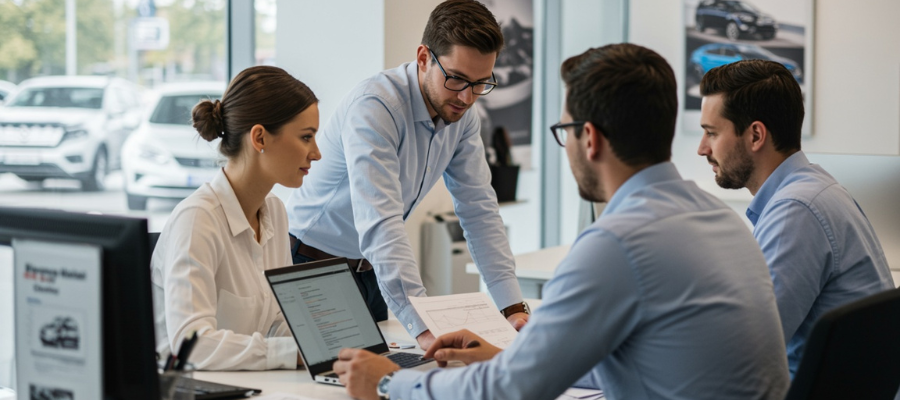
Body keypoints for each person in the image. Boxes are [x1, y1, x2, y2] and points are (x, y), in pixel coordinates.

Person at [332, 43, 790, 400]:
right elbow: (636, 354)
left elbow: (511, 391)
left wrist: (391, 384)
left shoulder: (616, 244)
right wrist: (510, 356)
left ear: (588, 138)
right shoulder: (721, 219)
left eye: (564, 131)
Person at [285, 0, 527, 350]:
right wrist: (426, 325)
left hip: (371, 271)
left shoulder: (463, 115)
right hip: (312, 264)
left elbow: (479, 209)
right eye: (457, 79)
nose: (467, 97)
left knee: (383, 372)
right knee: (325, 384)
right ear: (424, 58)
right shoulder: (376, 107)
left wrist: (512, 308)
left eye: (480, 83)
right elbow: (381, 220)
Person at [696, 59, 894, 376]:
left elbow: (741, 354)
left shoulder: (797, 210)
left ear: (756, 135)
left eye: (711, 133)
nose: (702, 149)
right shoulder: (815, 188)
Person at [151, 66, 321, 370]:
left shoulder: (276, 213)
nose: (316, 153)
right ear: (259, 138)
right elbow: (193, 346)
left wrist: (323, 343)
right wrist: (290, 353)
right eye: (306, 137)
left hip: (251, 386)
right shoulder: (197, 220)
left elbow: (279, 322)